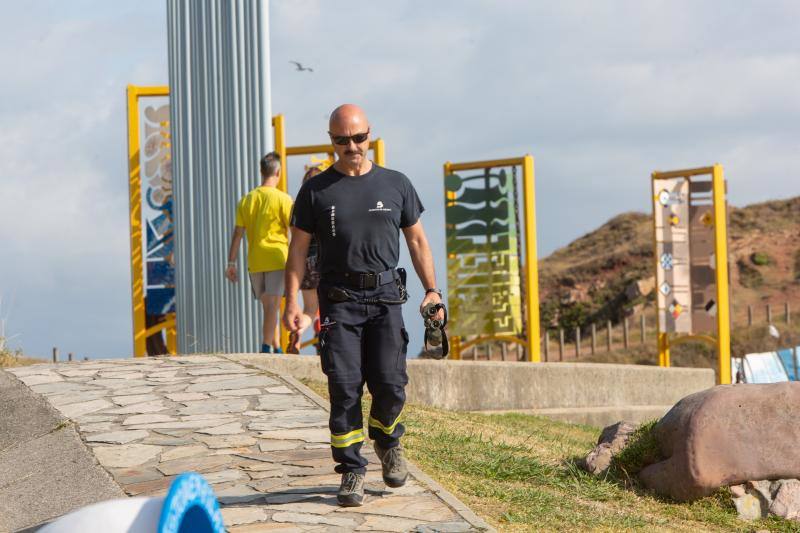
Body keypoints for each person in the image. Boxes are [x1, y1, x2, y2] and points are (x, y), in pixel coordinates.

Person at [283, 104, 444, 506]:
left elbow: (418, 242)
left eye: (358, 138)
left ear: (369, 135)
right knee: (344, 387)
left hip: (387, 298)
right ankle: (352, 471)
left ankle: (388, 442)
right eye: (342, 140)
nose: (351, 146)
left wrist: (432, 291)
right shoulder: (315, 191)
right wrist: (292, 304)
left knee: (390, 383)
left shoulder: (396, 184)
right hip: (339, 303)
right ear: (332, 141)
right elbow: (297, 251)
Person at [226, 152, 293, 354]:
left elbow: (238, 233)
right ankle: (266, 348)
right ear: (278, 172)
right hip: (277, 257)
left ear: (261, 171)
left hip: (254, 260)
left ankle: (277, 347)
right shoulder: (283, 199)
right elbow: (293, 230)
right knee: (273, 305)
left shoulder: (247, 200)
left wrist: (231, 263)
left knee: (269, 307)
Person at [287, 165, 324, 354]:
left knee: (310, 309)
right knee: (329, 306)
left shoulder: (296, 206)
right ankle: (325, 338)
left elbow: (296, 241)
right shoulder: (324, 200)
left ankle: (299, 331)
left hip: (305, 263)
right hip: (324, 259)